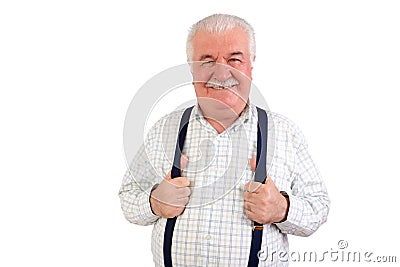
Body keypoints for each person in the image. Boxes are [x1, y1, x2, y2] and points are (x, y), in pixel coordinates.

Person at [119, 14, 330, 266]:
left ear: (250, 65)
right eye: (207, 60)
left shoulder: (284, 133)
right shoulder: (165, 129)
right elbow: (128, 197)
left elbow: (318, 207)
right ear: (191, 68)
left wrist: (281, 209)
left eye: (234, 59)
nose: (221, 72)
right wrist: (154, 202)